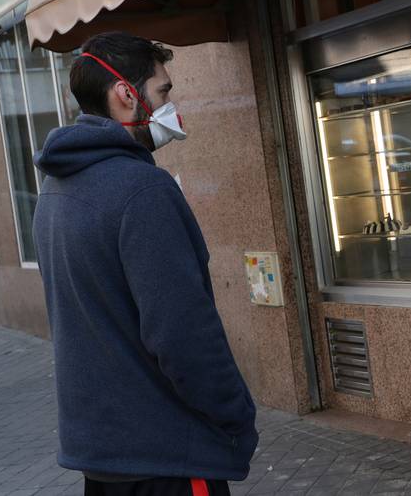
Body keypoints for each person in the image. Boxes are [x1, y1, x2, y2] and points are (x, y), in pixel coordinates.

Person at [32, 33, 258, 496]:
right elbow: (182, 333)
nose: (171, 106)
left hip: (102, 459)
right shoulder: (143, 190)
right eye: (163, 92)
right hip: (167, 456)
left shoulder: (54, 191)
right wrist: (236, 417)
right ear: (125, 94)